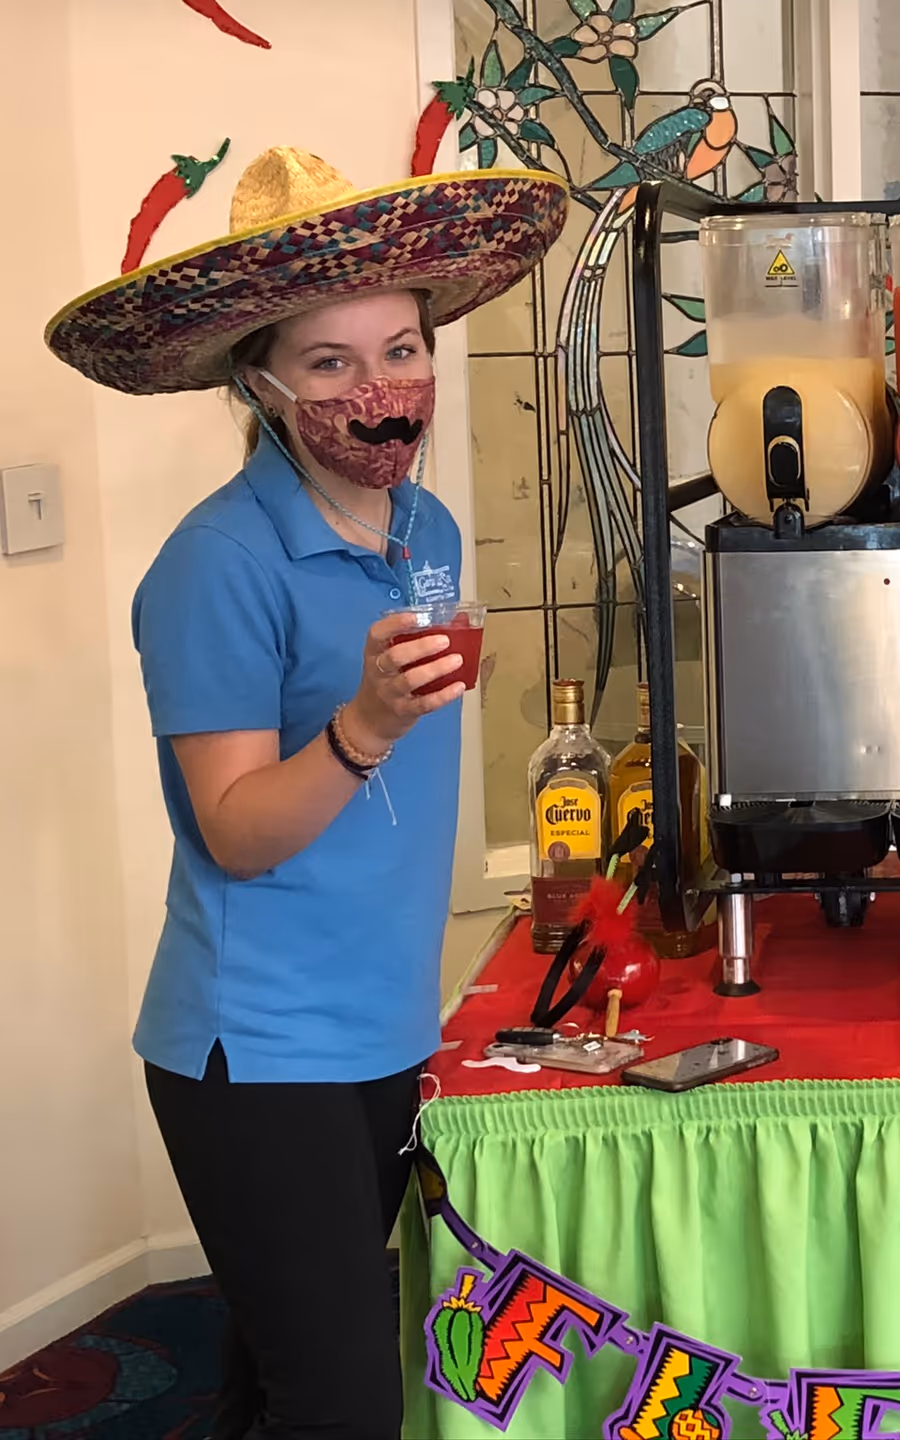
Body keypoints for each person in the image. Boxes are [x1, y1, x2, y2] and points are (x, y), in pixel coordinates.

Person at [46, 147, 565, 1437]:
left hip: (385, 1020)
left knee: (282, 1370)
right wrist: (364, 726)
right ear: (262, 383)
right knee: (342, 1397)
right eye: (331, 363)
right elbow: (233, 830)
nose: (380, 389)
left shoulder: (428, 533)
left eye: (401, 349)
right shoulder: (214, 567)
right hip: (256, 1048)